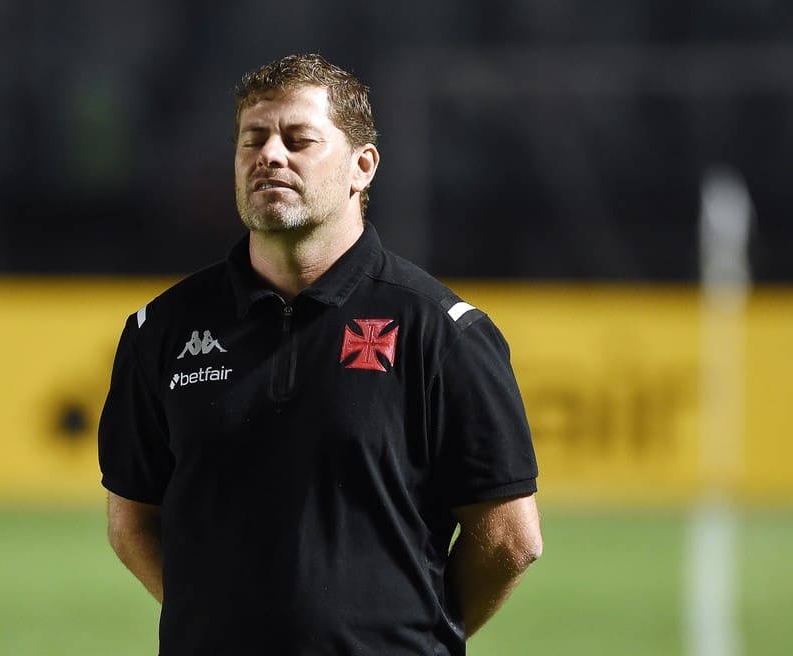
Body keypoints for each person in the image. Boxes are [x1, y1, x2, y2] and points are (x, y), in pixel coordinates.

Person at [98, 53, 542, 655]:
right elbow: (130, 522)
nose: (269, 155)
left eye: (298, 139)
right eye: (252, 139)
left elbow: (511, 540)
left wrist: (411, 639)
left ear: (363, 167)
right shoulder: (162, 330)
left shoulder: (441, 332)